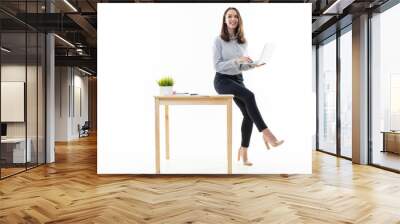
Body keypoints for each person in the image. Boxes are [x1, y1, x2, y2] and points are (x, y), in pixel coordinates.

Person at [213, 7, 284, 166]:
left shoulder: (242, 42)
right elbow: (217, 66)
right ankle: (268, 135)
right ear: (225, 20)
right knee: (250, 96)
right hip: (222, 80)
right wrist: (237, 60)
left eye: (235, 16)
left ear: (239, 20)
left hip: (238, 79)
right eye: (229, 16)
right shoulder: (218, 40)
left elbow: (241, 67)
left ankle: (244, 151)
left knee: (248, 115)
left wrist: (254, 65)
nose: (232, 19)